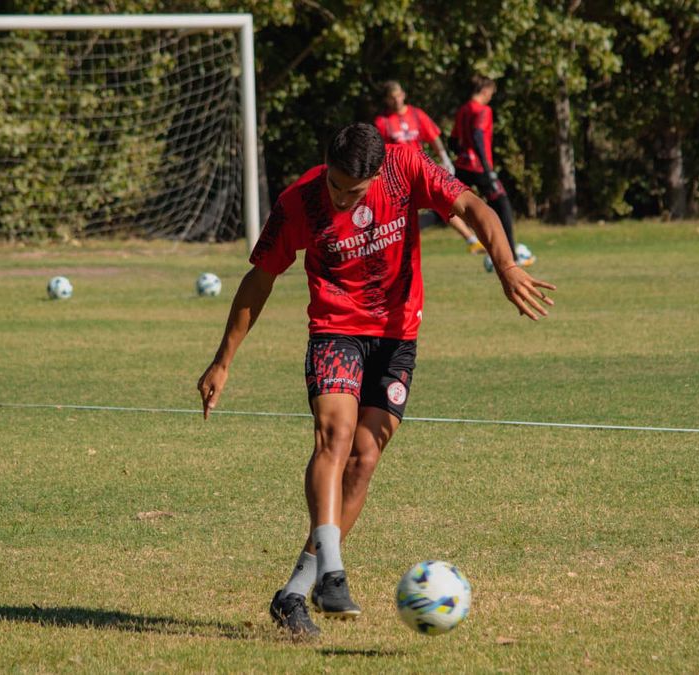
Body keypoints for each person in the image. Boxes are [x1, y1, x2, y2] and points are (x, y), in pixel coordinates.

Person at [196, 123, 555, 639]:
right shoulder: (298, 201)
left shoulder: (406, 168)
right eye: (335, 185)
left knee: (364, 457)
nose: (341, 198)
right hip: (335, 330)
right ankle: (334, 570)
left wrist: (504, 264)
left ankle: (298, 590)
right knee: (334, 436)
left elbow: (475, 208)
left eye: (353, 191)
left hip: (396, 339)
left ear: (378, 173)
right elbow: (260, 279)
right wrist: (223, 359)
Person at [373, 80, 485, 254]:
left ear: (403, 95)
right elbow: (379, 151)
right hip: (397, 174)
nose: (396, 101)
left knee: (442, 201)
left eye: (398, 96)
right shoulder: (382, 122)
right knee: (397, 213)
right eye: (392, 98)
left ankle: (472, 239)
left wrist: (444, 158)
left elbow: (433, 137)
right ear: (387, 100)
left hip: (420, 168)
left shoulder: (416, 114)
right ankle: (388, 248)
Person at [452, 75, 532, 267]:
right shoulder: (483, 110)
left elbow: (453, 141)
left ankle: (411, 226)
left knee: (445, 209)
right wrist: (488, 169)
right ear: (486, 90)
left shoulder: (463, 110)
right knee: (503, 205)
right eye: (491, 93)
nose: (491, 97)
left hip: (462, 165)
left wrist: (462, 154)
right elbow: (478, 136)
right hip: (479, 167)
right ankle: (510, 255)